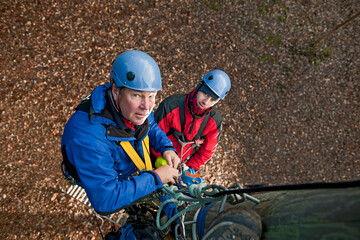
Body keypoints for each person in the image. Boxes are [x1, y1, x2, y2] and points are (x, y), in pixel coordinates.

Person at [61, 50, 180, 217]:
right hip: (107, 175)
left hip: (125, 165)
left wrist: (166, 147)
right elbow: (105, 200)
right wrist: (156, 178)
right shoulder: (88, 138)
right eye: (136, 95)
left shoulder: (132, 108)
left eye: (152, 96)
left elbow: (150, 126)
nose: (147, 107)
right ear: (116, 91)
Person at [153, 69, 231, 187]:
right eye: (205, 94)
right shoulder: (171, 106)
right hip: (158, 156)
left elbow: (207, 151)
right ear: (199, 87)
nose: (205, 102)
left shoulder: (213, 121)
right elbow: (155, 134)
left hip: (180, 164)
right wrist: (165, 162)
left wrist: (189, 168)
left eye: (212, 100)